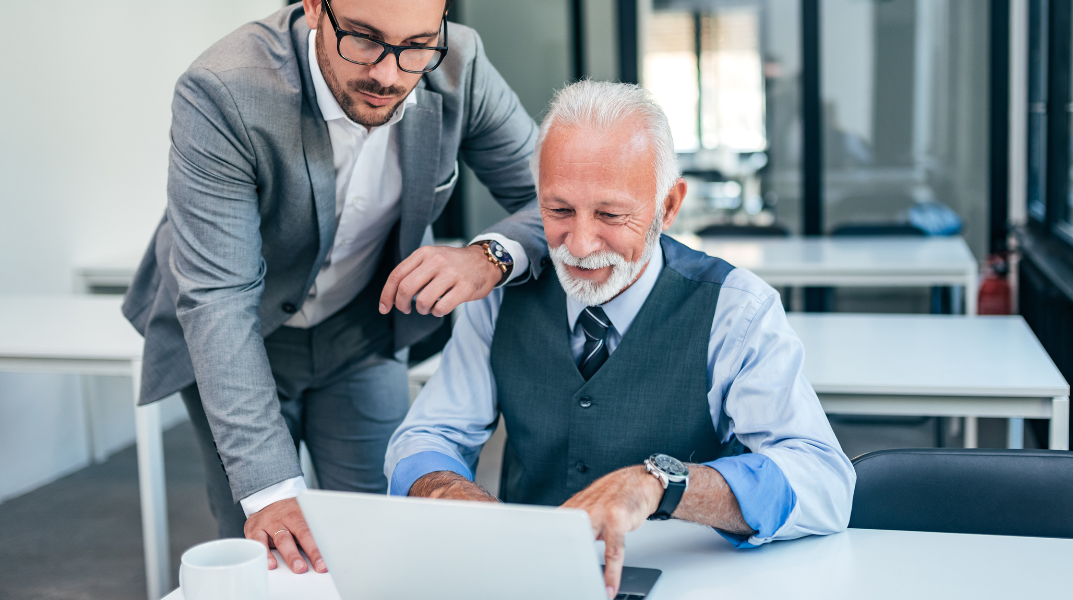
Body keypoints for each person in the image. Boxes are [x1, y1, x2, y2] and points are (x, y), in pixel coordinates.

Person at [121, 0, 547, 574]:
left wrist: (489, 255)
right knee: (268, 549)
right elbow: (220, 299)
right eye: (366, 39)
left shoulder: (460, 64)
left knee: (377, 536)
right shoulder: (223, 88)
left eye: (417, 44)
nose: (389, 74)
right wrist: (272, 494)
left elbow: (550, 198)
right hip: (239, 336)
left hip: (358, 330)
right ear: (316, 7)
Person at [384, 80, 855, 599]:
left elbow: (824, 482)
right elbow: (425, 438)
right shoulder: (498, 301)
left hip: (693, 582)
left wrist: (665, 484)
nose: (580, 244)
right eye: (559, 211)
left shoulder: (736, 309)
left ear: (668, 205)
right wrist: (453, 496)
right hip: (533, 582)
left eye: (610, 215)